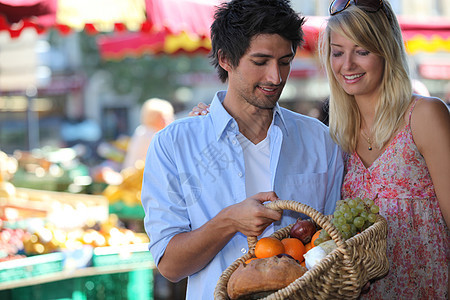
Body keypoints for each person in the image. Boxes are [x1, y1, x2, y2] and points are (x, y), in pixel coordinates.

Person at [140, 0, 344, 299]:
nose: (276, 77)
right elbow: (170, 266)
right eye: (260, 62)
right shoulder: (173, 145)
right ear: (225, 59)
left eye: (285, 62)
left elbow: (335, 242)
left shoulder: (320, 140)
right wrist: (229, 221)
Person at [320, 0, 450, 298]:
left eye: (362, 51)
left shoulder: (424, 116)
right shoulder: (338, 134)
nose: (347, 65)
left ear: (386, 51)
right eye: (337, 52)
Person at [122, 98, 174, 170]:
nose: (170, 121)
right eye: (165, 118)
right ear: (154, 118)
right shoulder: (150, 135)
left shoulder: (143, 131)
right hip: (137, 177)